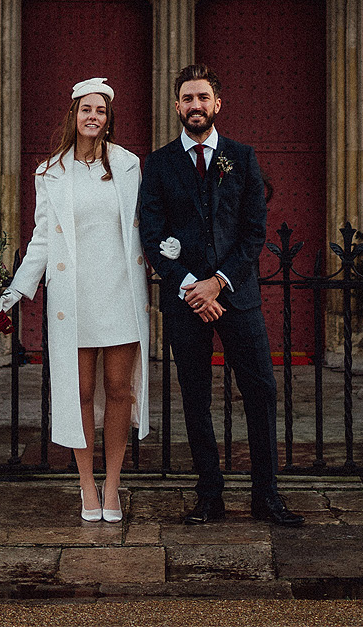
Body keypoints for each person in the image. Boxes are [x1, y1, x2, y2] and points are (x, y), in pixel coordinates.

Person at [138, 64, 303, 527]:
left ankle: (265, 496)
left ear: (217, 104)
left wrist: (219, 282)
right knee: (195, 396)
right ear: (177, 106)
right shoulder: (160, 163)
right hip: (186, 301)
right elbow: (152, 235)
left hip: (237, 297)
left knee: (260, 392)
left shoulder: (242, 157)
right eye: (187, 98)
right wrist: (193, 286)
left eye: (202, 98)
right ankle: (209, 494)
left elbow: (253, 233)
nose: (195, 106)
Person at [0, 78, 149, 523]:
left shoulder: (128, 166)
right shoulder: (50, 172)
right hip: (76, 299)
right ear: (74, 115)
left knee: (119, 392)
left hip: (120, 293)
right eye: (86, 109)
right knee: (81, 394)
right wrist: (12, 293)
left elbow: (144, 226)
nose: (93, 117)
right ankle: (86, 483)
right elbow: (42, 240)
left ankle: (114, 483)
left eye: (100, 111)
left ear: (108, 119)